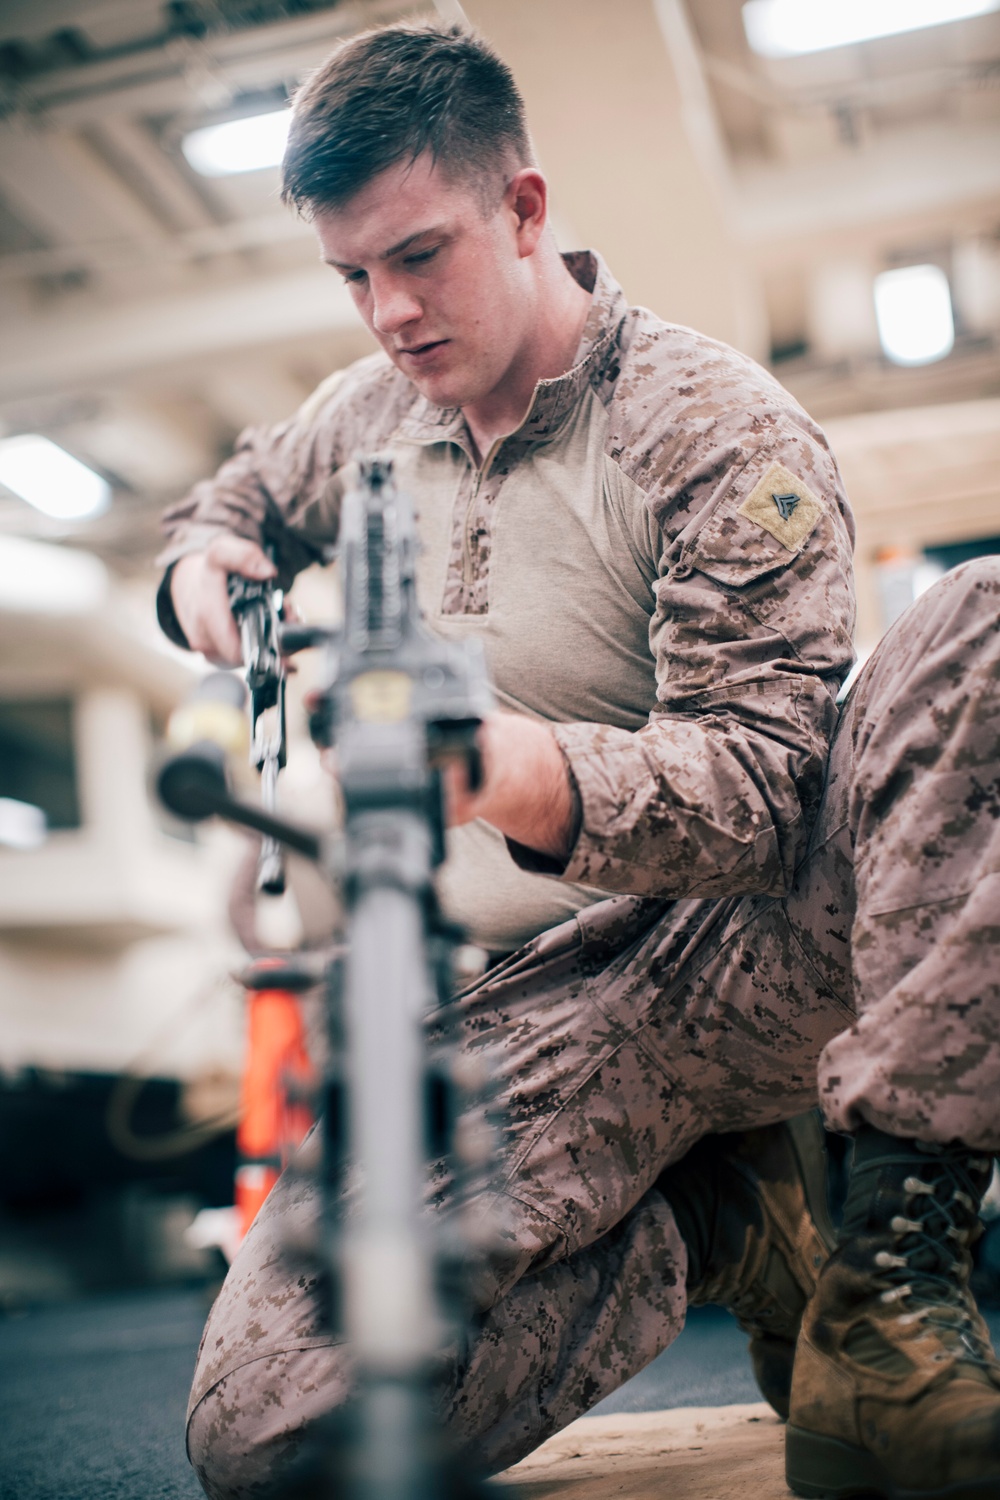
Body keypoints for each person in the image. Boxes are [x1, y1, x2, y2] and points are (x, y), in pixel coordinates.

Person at [157, 22, 1000, 1500]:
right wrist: (210, 573)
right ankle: (708, 1214)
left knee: (986, 624)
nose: (388, 313)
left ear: (527, 210)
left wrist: (506, 768)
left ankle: (882, 1292)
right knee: (272, 1437)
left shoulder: (709, 421)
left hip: (741, 944)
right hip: (519, 1009)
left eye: (421, 256)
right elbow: (224, 499)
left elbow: (758, 798)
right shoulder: (363, 418)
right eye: (353, 276)